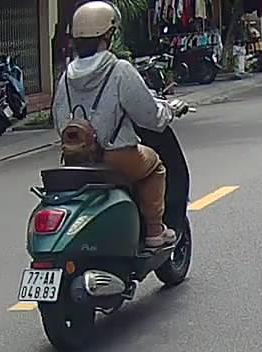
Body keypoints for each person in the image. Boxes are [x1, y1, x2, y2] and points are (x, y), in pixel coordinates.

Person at [53, 1, 188, 248]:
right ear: (108, 35)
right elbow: (150, 117)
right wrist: (169, 111)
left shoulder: (66, 77)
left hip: (78, 160)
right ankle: (155, 230)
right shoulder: (119, 70)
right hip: (118, 158)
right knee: (156, 166)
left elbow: (60, 121)